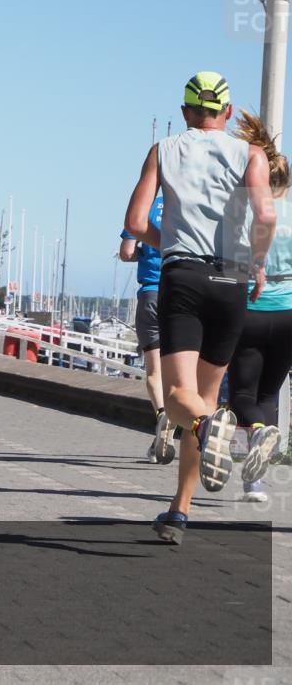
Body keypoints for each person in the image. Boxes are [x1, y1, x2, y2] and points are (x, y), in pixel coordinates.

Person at [124, 72, 276, 544]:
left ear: (185, 111)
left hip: (183, 277)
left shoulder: (164, 150)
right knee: (202, 401)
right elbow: (266, 214)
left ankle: (215, 428)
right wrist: (256, 263)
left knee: (178, 401)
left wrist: (164, 240)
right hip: (231, 279)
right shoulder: (249, 153)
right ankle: (179, 511)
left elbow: (133, 222)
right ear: (228, 113)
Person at [225, 111, 291, 503]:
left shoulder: (249, 211)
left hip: (251, 305)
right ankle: (257, 482)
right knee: (268, 394)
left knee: (242, 396)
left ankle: (255, 467)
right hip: (288, 314)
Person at [119, 194, 172, 464]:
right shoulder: (189, 203)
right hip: (182, 294)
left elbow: (127, 252)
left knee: (155, 371)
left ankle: (162, 414)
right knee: (182, 370)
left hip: (151, 294)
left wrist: (144, 255)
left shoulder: (145, 205)